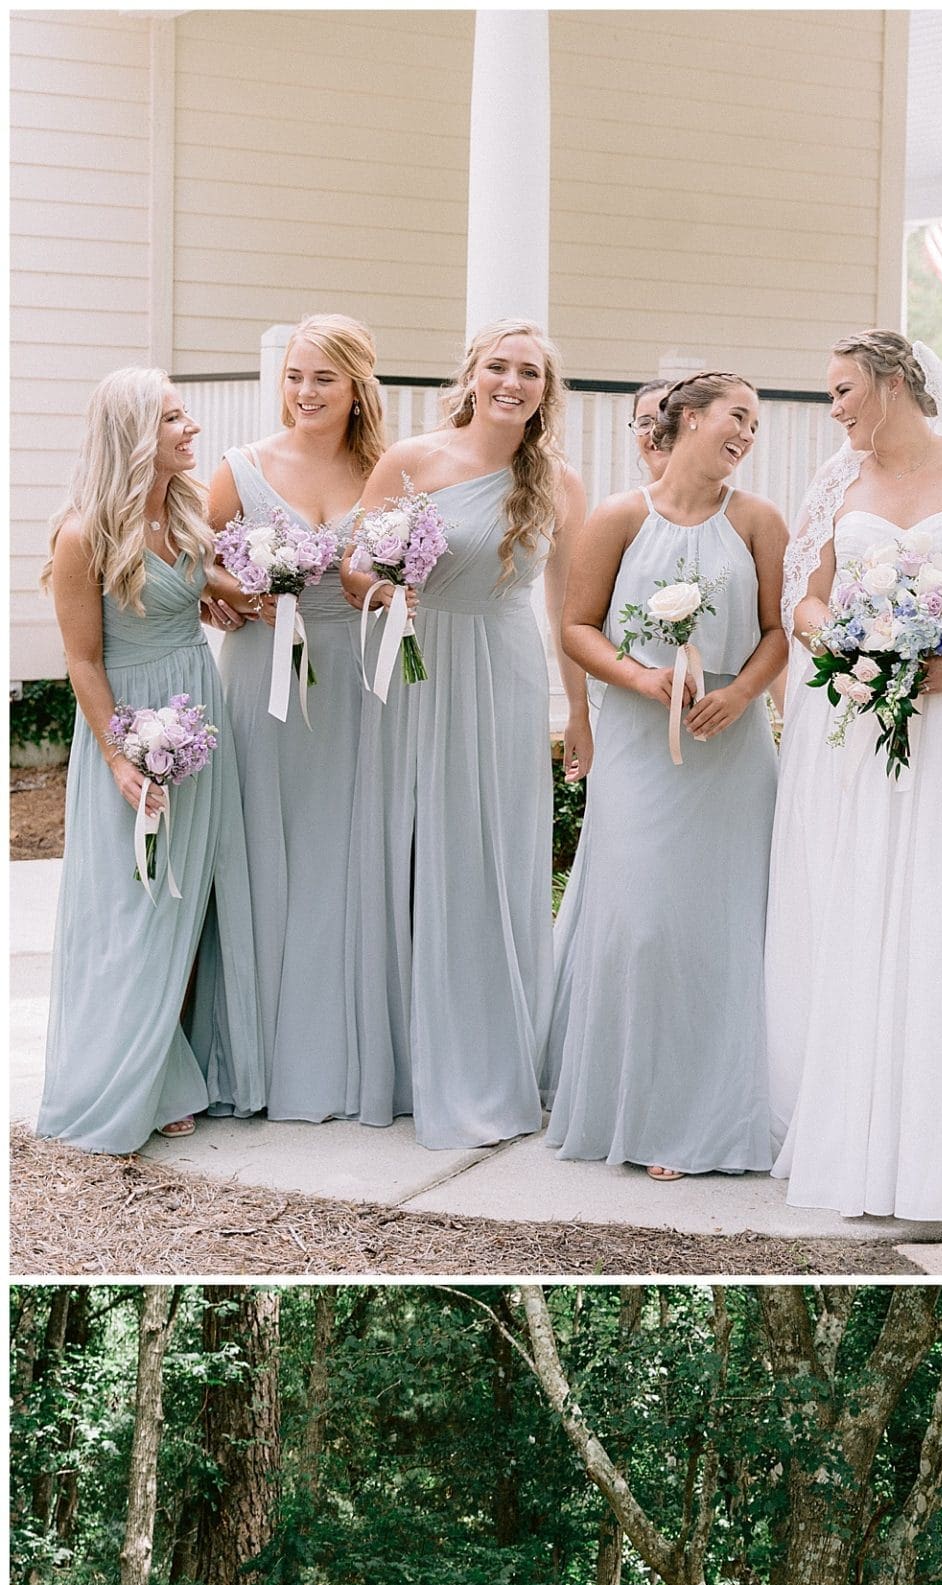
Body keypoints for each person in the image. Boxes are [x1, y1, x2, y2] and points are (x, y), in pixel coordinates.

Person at [770, 330, 942, 1222]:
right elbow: (802, 598)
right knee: (861, 900)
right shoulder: (835, 481)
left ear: (892, 383)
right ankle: (853, 1134)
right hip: (856, 715)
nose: (836, 408)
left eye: (845, 389)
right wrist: (849, 648)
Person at [344, 318, 589, 1150]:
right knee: (404, 849)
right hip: (413, 662)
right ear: (472, 375)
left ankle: (489, 1054)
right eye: (498, 366)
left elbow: (570, 610)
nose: (512, 381)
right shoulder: (411, 460)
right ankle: (404, 1057)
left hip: (503, 669)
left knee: (486, 851)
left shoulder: (559, 483)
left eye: (529, 372)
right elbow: (352, 566)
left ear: (546, 392)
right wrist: (388, 585)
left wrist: (579, 712)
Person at [546, 372, 787, 1178]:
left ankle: (714, 1118)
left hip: (732, 752)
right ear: (683, 423)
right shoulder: (618, 517)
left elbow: (778, 632)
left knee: (725, 931)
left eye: (754, 424)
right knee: (644, 927)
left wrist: (742, 693)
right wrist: (640, 678)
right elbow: (577, 627)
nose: (747, 434)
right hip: (641, 746)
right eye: (736, 417)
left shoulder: (760, 521)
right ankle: (642, 1110)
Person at [37, 369, 264, 1155]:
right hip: (132, 726)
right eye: (173, 418)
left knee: (189, 900)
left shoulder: (185, 510)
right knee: (134, 903)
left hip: (199, 714)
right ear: (136, 434)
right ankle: (124, 1075)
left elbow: (196, 585)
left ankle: (182, 1066)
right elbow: (83, 662)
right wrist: (120, 758)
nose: (190, 428)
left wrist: (241, 593)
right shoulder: (82, 535)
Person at [206, 315, 383, 1124]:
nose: (305, 393)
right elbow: (192, 568)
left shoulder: (386, 470)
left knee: (343, 854)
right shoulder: (240, 470)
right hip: (258, 682)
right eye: (294, 377)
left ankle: (344, 1056)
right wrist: (232, 596)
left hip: (351, 680)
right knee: (260, 850)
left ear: (356, 387)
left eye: (323, 379)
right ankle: (254, 1052)